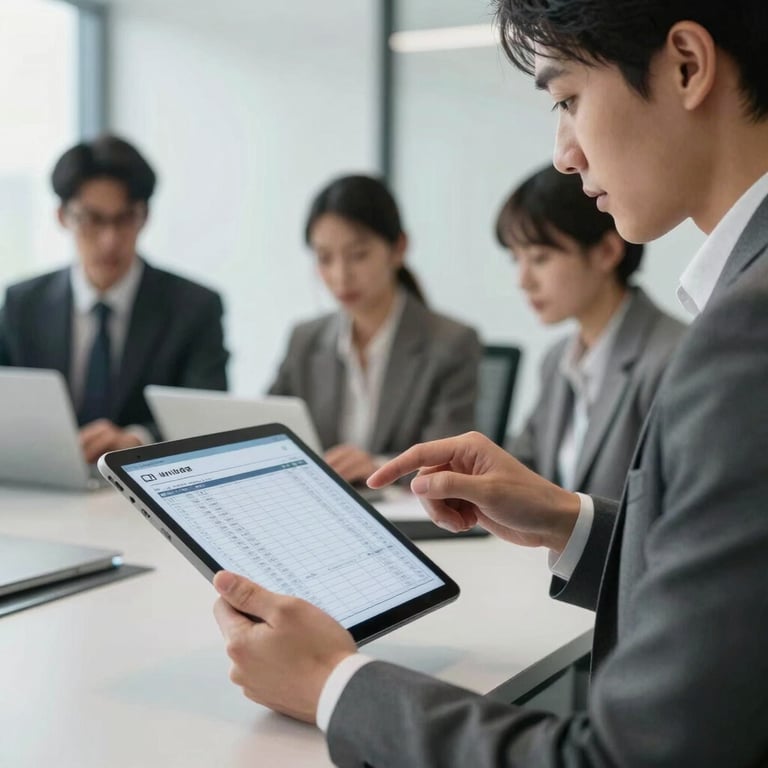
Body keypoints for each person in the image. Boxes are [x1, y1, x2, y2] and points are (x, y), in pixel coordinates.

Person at [211, 1, 768, 765]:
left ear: (686, 66)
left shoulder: (745, 335)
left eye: (567, 99)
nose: (565, 154)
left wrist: (332, 682)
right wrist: (568, 518)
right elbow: (738, 597)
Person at [0, 135, 229, 463]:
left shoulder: (194, 307)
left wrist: (137, 439)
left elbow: (207, 416)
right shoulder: (23, 304)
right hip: (44, 485)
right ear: (63, 216)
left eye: (124, 219)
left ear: (144, 217)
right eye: (92, 220)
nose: (110, 240)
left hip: (145, 485)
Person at [268, 174, 482, 483]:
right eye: (325, 258)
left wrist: (379, 466)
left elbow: (451, 464)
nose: (341, 275)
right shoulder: (305, 339)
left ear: (398, 249)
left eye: (358, 255)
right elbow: (267, 430)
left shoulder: (451, 342)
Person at [499, 165, 686, 498]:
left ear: (607, 252)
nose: (523, 281)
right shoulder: (557, 359)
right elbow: (522, 466)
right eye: (517, 260)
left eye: (540, 258)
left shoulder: (673, 357)